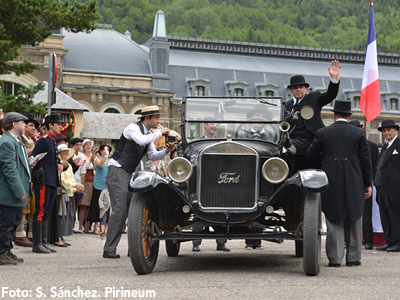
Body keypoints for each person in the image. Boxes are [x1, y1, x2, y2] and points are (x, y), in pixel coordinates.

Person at [307, 100, 372, 267]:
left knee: (333, 218)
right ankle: (353, 257)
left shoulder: (323, 133)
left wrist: (324, 163)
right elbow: (366, 161)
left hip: (330, 180)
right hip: (355, 181)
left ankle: (335, 258)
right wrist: (367, 183)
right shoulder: (359, 134)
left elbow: (311, 155)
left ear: (334, 115)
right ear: (350, 116)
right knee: (355, 217)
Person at [103, 105, 174, 259]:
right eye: (156, 118)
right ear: (147, 118)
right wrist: (160, 133)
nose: (159, 121)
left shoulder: (148, 134)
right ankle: (109, 249)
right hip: (118, 171)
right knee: (120, 210)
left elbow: (153, 156)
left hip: (129, 173)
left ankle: (134, 249)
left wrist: (166, 151)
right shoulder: (132, 128)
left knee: (135, 211)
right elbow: (141, 140)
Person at [286, 60, 341, 170]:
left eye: (301, 87)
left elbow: (330, 96)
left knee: (288, 147)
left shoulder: (313, 98)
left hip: (311, 139)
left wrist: (334, 79)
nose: (298, 89)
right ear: (291, 91)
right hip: (292, 139)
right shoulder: (287, 105)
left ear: (306, 89)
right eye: (295, 88)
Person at [191, 118, 230, 252]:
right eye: (212, 124)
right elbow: (193, 162)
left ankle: (221, 243)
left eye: (216, 124)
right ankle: (196, 243)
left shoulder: (221, 144)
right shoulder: (197, 143)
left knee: (221, 211)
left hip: (218, 182)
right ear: (205, 125)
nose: (215, 126)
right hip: (202, 182)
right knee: (198, 211)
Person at [0, 112, 30, 265]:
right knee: (6, 223)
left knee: (13, 222)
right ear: (14, 124)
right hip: (10, 192)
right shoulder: (7, 142)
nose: (25, 125)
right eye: (22, 122)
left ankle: (7, 250)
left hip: (16, 191)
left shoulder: (16, 141)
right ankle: (1, 252)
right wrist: (19, 190)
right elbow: (9, 169)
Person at [31, 114, 63, 254]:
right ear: (50, 125)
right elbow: (34, 159)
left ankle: (44, 241)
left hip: (51, 180)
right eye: (58, 124)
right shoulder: (43, 141)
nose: (60, 126)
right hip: (43, 180)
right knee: (41, 211)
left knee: (47, 212)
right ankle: (37, 243)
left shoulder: (52, 141)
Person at [349, 119, 379, 250]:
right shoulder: (346, 145)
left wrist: (369, 181)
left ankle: (368, 240)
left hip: (366, 183)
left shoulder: (371, 145)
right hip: (351, 182)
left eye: (361, 128)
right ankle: (348, 240)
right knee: (349, 213)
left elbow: (374, 165)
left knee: (367, 213)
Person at [374, 119, 400, 252]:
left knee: (395, 214)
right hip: (382, 186)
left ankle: (397, 242)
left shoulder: (398, 144)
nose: (386, 132)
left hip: (395, 187)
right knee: (385, 214)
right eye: (384, 130)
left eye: (389, 130)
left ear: (396, 130)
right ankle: (389, 240)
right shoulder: (385, 146)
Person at [13, 115, 40, 247]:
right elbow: (22, 154)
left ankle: (30, 234)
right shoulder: (20, 139)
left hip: (32, 175)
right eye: (30, 125)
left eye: (35, 126)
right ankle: (19, 234)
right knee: (23, 206)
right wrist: (37, 150)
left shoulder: (33, 140)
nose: (34, 128)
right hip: (23, 175)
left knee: (33, 206)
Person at [87, 144, 111, 234]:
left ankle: (104, 227)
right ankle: (95, 226)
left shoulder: (110, 161)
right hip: (98, 184)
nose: (106, 151)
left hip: (107, 185)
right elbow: (100, 165)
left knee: (107, 205)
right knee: (97, 205)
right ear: (101, 151)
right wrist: (105, 157)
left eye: (107, 150)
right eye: (104, 149)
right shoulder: (98, 159)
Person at [77, 139, 95, 233]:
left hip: (93, 180)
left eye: (90, 144)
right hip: (85, 179)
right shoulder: (81, 156)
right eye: (86, 145)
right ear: (83, 147)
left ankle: (87, 227)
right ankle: (80, 226)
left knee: (89, 205)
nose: (88, 146)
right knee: (83, 205)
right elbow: (84, 167)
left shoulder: (94, 156)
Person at [69, 138, 86, 225]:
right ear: (72, 146)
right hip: (69, 182)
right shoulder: (68, 155)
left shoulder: (82, 156)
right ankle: (69, 222)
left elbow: (83, 172)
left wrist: (82, 185)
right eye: (76, 145)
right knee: (70, 202)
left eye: (80, 145)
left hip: (78, 181)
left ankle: (73, 222)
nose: (78, 147)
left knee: (76, 202)